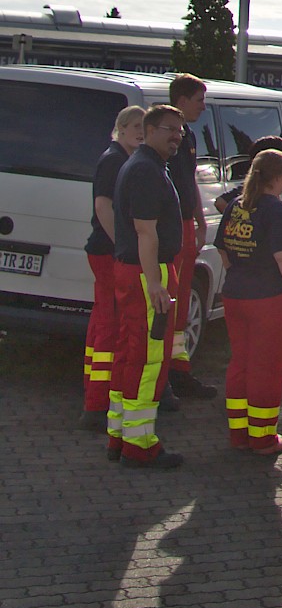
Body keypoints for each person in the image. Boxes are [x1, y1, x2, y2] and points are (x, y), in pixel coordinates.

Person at [109, 104, 187, 469]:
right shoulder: (145, 170)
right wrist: (156, 283)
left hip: (135, 271)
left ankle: (120, 436)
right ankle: (139, 447)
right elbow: (146, 231)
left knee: (129, 354)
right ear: (150, 129)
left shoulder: (146, 166)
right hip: (146, 274)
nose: (177, 136)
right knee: (148, 360)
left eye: (181, 131)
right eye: (170, 129)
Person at [215, 148, 282, 456]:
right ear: (279, 178)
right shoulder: (277, 210)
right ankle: (263, 436)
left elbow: (224, 250)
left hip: (236, 293)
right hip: (270, 298)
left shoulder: (237, 206)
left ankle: (239, 432)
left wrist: (240, 273)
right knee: (266, 367)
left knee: (240, 363)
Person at [81, 106, 145, 430]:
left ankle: (95, 396)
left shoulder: (120, 157)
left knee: (101, 319)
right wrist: (121, 243)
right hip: (108, 252)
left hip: (105, 250)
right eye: (135, 126)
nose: (140, 132)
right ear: (120, 127)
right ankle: (97, 402)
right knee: (110, 322)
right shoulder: (114, 159)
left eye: (144, 127)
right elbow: (102, 205)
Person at [165, 74, 217, 400]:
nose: (203, 106)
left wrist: (198, 219)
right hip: (170, 226)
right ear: (182, 100)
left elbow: (189, 182)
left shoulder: (188, 136)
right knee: (170, 303)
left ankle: (179, 372)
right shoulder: (167, 138)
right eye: (199, 100)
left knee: (182, 303)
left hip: (185, 224)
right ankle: (165, 378)